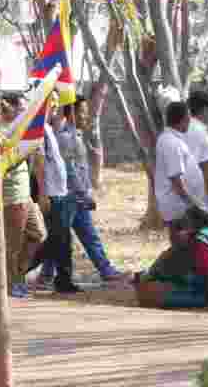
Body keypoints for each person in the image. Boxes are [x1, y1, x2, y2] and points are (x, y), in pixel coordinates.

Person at [51, 98, 123, 282]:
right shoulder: (66, 138)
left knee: (87, 235)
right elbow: (70, 171)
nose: (86, 116)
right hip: (70, 197)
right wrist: (83, 194)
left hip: (78, 196)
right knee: (60, 239)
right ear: (72, 113)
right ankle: (43, 273)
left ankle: (105, 269)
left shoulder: (77, 136)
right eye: (82, 111)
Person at [134, 207, 208, 309]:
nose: (183, 224)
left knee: (156, 297)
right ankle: (147, 278)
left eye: (186, 221)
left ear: (194, 224)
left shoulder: (201, 243)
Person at [28, 95, 79, 293]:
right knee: (54, 240)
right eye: (52, 101)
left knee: (62, 240)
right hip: (50, 194)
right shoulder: (38, 129)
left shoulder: (48, 128)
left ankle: (64, 280)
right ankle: (20, 268)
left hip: (60, 191)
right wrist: (42, 195)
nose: (56, 105)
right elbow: (39, 164)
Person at [0, 92, 47, 298]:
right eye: (21, 108)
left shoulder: (24, 132)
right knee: (13, 244)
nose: (25, 113)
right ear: (7, 106)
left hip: (25, 195)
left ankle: (18, 273)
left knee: (39, 234)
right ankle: (12, 284)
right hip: (10, 197)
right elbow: (2, 163)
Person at [155, 101, 208, 228]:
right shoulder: (171, 143)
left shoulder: (171, 139)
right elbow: (177, 183)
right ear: (183, 119)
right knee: (186, 246)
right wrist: (196, 207)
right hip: (180, 209)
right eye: (188, 118)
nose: (190, 122)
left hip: (182, 207)